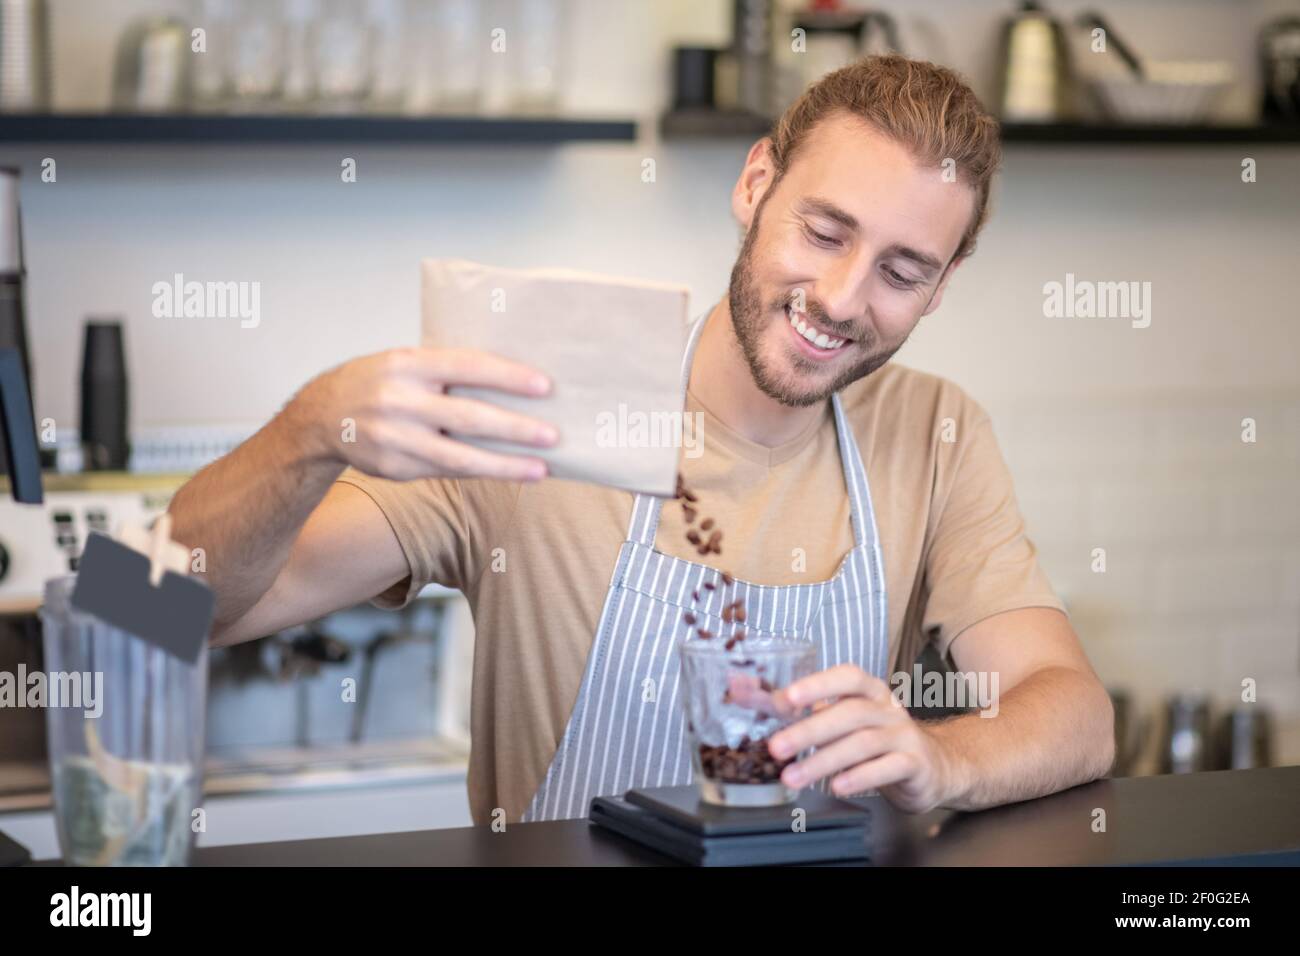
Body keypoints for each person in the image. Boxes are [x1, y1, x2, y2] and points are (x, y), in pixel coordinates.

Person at [168, 55, 1114, 825]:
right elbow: (175, 609)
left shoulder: (934, 433)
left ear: (940, 289)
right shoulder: (543, 399)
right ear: (756, 185)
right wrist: (309, 430)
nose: (840, 298)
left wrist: (939, 757)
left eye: (902, 272)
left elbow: (1071, 709)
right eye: (824, 233)